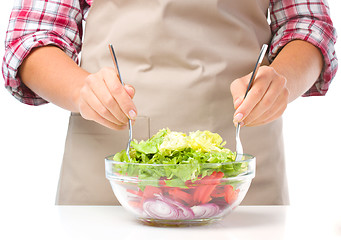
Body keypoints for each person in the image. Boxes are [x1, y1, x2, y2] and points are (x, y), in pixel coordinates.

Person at [2, 0, 337, 205]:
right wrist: (82, 91)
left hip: (239, 176)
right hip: (113, 180)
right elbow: (31, 35)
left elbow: (308, 23)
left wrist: (282, 81)